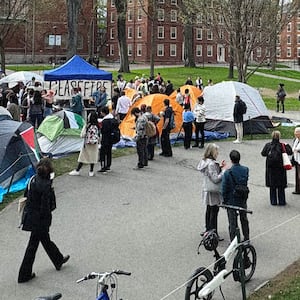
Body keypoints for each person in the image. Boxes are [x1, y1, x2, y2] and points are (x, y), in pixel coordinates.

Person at [18, 158, 70, 283]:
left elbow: (26, 195)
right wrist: (47, 220)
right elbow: (45, 207)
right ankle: (24, 275)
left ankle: (58, 259)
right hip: (40, 220)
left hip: (31, 216)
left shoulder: (32, 180)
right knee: (33, 246)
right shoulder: (46, 185)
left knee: (44, 241)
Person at [197, 143, 226, 239]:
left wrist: (219, 168)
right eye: (216, 151)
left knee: (209, 209)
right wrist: (223, 171)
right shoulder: (211, 164)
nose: (218, 153)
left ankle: (207, 229)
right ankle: (213, 233)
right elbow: (215, 179)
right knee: (214, 210)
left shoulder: (204, 162)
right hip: (213, 191)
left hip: (207, 188)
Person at [222, 150, 249, 242]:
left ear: (231, 159)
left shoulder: (227, 173)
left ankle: (234, 240)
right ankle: (246, 237)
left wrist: (224, 200)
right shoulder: (245, 169)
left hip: (231, 199)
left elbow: (224, 188)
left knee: (232, 221)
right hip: (242, 197)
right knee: (244, 218)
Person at [261, 130, 292, 205]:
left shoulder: (268, 145)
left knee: (272, 186)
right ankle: (282, 201)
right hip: (280, 169)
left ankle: (273, 201)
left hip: (271, 169)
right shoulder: (282, 145)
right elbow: (290, 152)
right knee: (281, 186)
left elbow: (263, 153)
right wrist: (287, 145)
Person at [69, 111, 100, 177]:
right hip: (94, 144)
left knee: (82, 157)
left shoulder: (87, 125)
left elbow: (82, 135)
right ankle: (91, 171)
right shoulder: (97, 125)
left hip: (87, 144)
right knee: (93, 157)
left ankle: (77, 170)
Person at [98, 107, 115, 173]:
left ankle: (103, 166)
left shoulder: (105, 121)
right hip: (111, 139)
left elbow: (103, 131)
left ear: (103, 112)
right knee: (109, 152)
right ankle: (108, 165)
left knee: (103, 153)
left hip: (105, 139)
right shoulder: (112, 119)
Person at [292, 127, 300, 194]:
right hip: (297, 159)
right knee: (297, 176)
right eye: (295, 132)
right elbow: (294, 149)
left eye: (297, 132)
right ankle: (298, 190)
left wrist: (298, 150)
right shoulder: (296, 140)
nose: (295, 133)